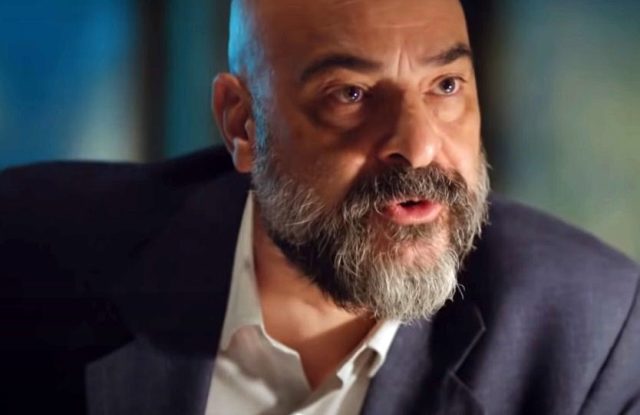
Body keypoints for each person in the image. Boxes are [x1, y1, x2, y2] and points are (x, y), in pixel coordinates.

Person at [1, 0, 638, 414]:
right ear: (242, 123)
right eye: (351, 94)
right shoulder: (30, 252)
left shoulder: (596, 338)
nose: (418, 146)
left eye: (446, 85)